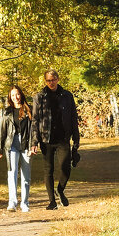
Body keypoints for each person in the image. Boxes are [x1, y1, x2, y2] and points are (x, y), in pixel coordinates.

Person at [32, 68, 79, 210]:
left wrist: (76, 139)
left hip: (63, 138)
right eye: (48, 80)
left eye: (53, 80)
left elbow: (73, 118)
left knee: (65, 167)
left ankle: (60, 189)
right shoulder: (39, 97)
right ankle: (52, 201)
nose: (51, 83)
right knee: (48, 170)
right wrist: (34, 141)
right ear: (45, 81)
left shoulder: (67, 96)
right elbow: (35, 120)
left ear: (58, 79)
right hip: (46, 139)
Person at [0, 85, 33, 212]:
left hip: (26, 144)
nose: (15, 97)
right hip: (11, 144)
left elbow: (33, 130)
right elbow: (3, 132)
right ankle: (12, 202)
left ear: (21, 95)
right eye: (12, 95)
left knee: (26, 176)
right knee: (12, 174)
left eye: (17, 94)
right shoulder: (7, 111)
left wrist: (33, 144)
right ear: (10, 97)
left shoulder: (29, 110)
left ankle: (25, 203)